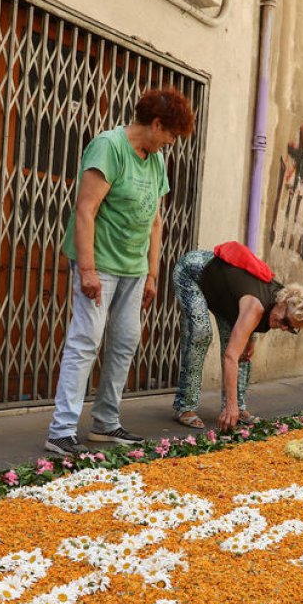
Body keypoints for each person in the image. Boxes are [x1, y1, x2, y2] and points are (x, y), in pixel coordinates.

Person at [44, 88, 195, 456]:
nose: (171, 143)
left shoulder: (155, 160)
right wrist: (88, 269)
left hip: (134, 268)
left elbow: (156, 221)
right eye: (171, 135)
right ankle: (61, 429)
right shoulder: (108, 147)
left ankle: (105, 423)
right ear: (156, 124)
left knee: (125, 341)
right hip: (101, 265)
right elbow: (85, 209)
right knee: (86, 340)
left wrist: (153, 274)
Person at [171, 249, 303, 431]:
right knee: (201, 334)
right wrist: (230, 405)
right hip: (194, 272)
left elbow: (254, 317)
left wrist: (251, 340)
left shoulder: (279, 298)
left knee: (242, 350)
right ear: (283, 302)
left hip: (223, 294)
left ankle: (238, 409)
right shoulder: (256, 306)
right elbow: (230, 356)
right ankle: (185, 406)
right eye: (285, 321)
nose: (283, 328)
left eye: (290, 328)